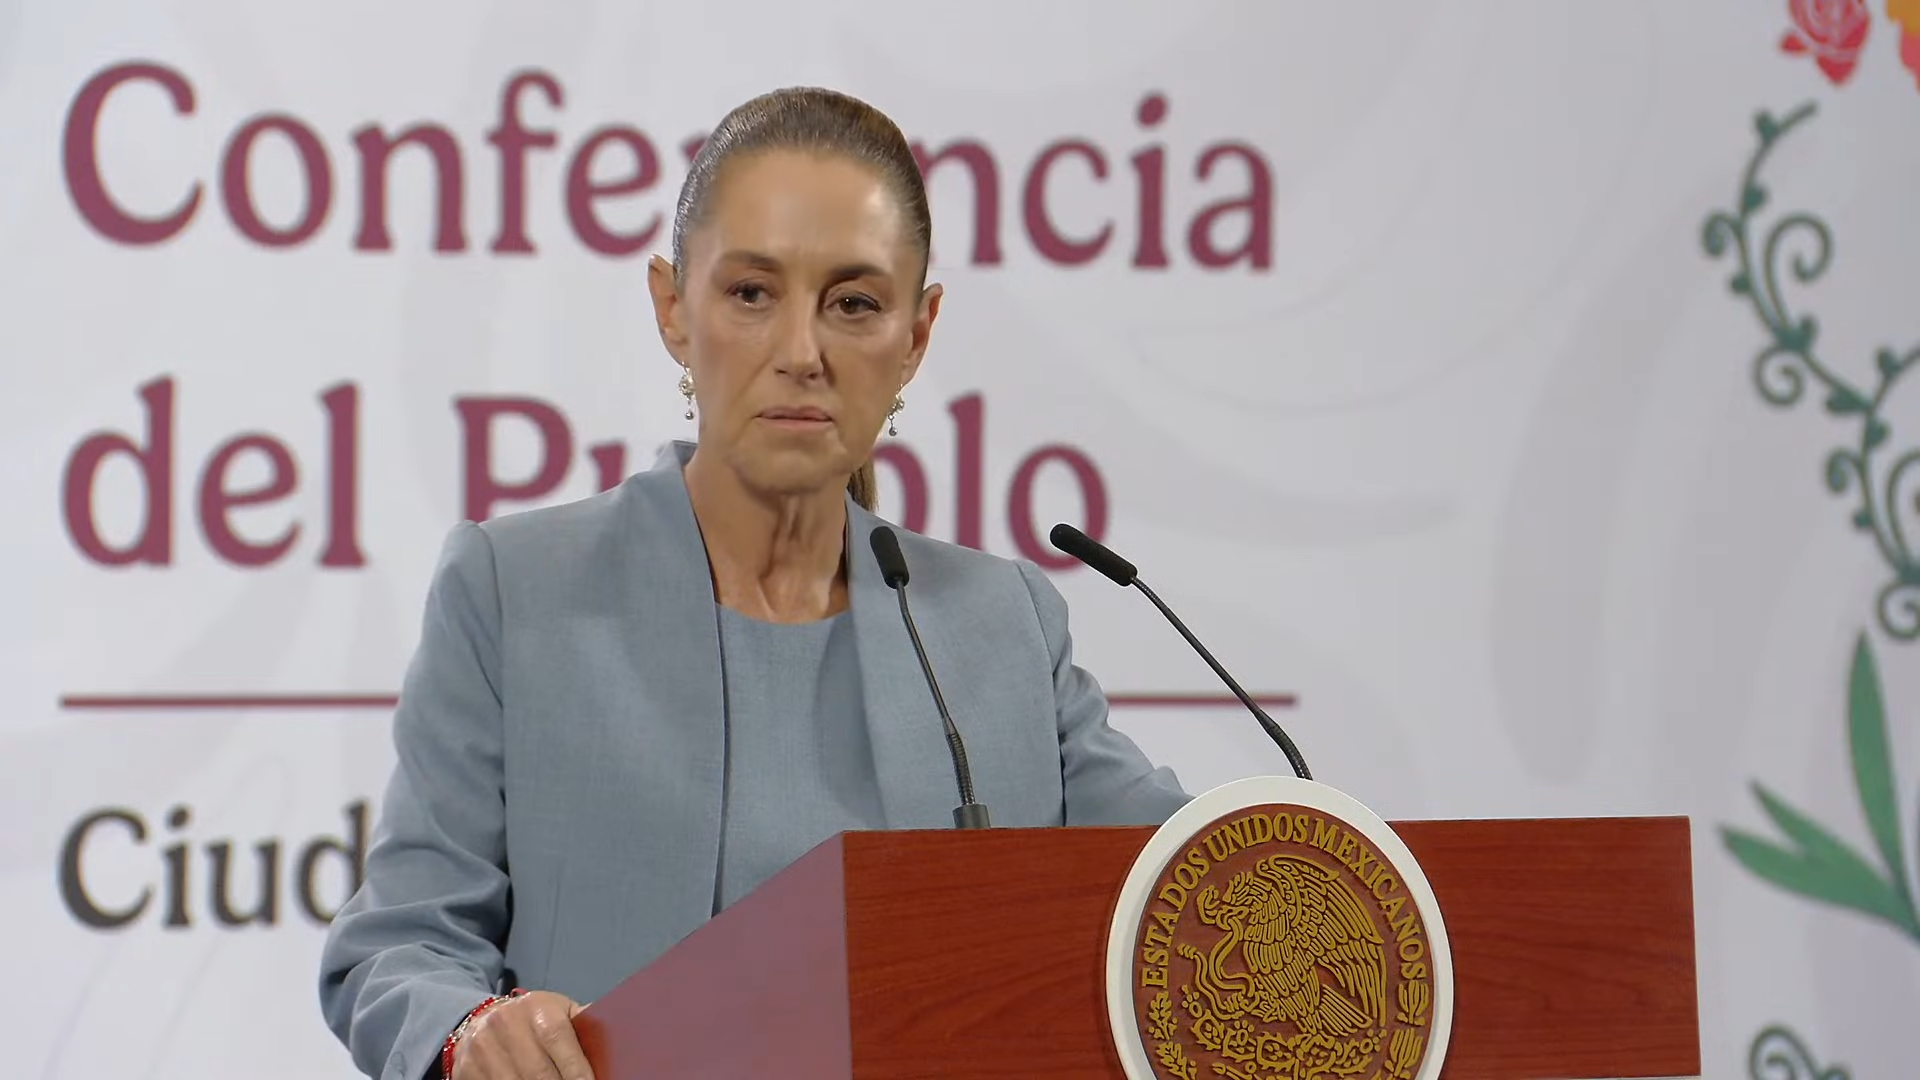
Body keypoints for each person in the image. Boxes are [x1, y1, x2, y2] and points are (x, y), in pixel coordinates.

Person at [317, 85, 1191, 1080]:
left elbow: (1195, 884)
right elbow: (395, 946)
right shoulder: (516, 592)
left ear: (917, 334)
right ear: (671, 308)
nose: (801, 352)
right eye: (750, 294)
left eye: (854, 303)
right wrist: (471, 1026)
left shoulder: (1001, 626)